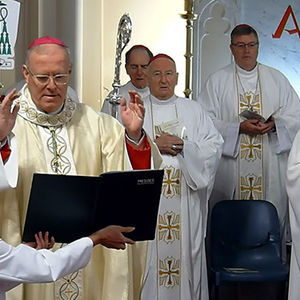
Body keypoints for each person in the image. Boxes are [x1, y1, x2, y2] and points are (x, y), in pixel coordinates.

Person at [0, 36, 162, 300]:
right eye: (42, 78)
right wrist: (0, 140)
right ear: (26, 74)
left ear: (70, 73)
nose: (52, 87)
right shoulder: (8, 123)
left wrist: (133, 137)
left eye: (60, 77)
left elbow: (131, 182)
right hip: (28, 254)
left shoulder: (98, 125)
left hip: (91, 261)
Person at [200, 24, 300, 258]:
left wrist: (275, 123)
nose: (247, 51)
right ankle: (225, 271)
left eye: (252, 45)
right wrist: (237, 128)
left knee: (271, 223)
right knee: (230, 234)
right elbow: (203, 122)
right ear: (231, 48)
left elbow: (296, 114)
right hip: (230, 171)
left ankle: (271, 276)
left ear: (258, 47)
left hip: (271, 170)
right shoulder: (217, 81)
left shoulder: (276, 79)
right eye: (241, 46)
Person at [138, 54, 223, 300]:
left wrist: (185, 147)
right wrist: (155, 145)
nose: (163, 80)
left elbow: (214, 146)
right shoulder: (136, 108)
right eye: (157, 74)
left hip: (186, 201)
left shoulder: (193, 109)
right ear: (147, 77)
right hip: (147, 206)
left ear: (176, 78)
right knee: (149, 264)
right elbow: (119, 149)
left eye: (169, 74)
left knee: (186, 259)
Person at [102, 44, 153, 121]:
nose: (139, 72)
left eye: (144, 67)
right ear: (127, 69)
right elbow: (104, 129)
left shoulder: (161, 96)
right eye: (134, 67)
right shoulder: (115, 98)